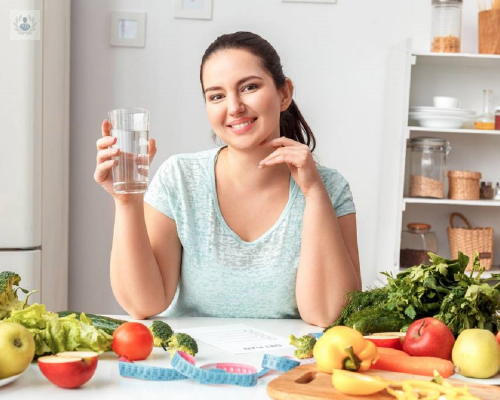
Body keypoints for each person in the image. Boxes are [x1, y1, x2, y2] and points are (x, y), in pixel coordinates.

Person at [94, 31, 361, 328]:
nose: (234, 107)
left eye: (249, 87)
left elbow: (329, 315)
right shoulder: (179, 178)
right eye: (217, 96)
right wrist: (127, 200)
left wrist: (313, 193)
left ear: (284, 93)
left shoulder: (330, 188)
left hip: (287, 366)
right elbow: (142, 305)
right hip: (191, 363)